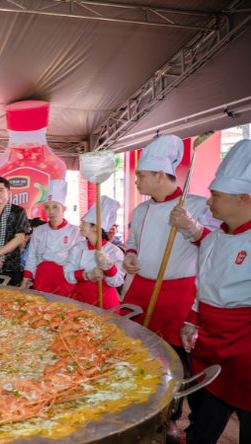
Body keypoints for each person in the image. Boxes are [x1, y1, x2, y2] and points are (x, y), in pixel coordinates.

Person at [121, 136, 219, 443]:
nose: (136, 180)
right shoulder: (139, 211)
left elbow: (218, 247)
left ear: (160, 176)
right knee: (134, 350)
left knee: (175, 358)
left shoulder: (197, 205)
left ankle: (170, 417)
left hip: (177, 292)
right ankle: (135, 405)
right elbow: (133, 241)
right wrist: (130, 255)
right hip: (140, 288)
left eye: (141, 175)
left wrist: (192, 227)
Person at [178, 140, 251, 444]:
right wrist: (192, 320)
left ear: (243, 199)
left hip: (245, 345)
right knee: (204, 415)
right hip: (209, 342)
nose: (209, 203)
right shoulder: (212, 239)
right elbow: (203, 287)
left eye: (216, 196)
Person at [63, 196, 125, 311]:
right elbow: (68, 275)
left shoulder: (114, 251)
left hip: (105, 303)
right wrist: (88, 274)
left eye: (83, 223)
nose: (80, 226)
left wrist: (108, 266)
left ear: (95, 227)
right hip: (79, 301)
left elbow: (117, 282)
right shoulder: (77, 248)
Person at [22, 180, 82, 296]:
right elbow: (32, 257)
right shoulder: (39, 231)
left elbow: (80, 260)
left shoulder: (75, 232)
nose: (51, 211)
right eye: (47, 207)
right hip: (42, 277)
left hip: (65, 279)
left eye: (55, 207)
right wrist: (26, 279)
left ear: (64, 209)